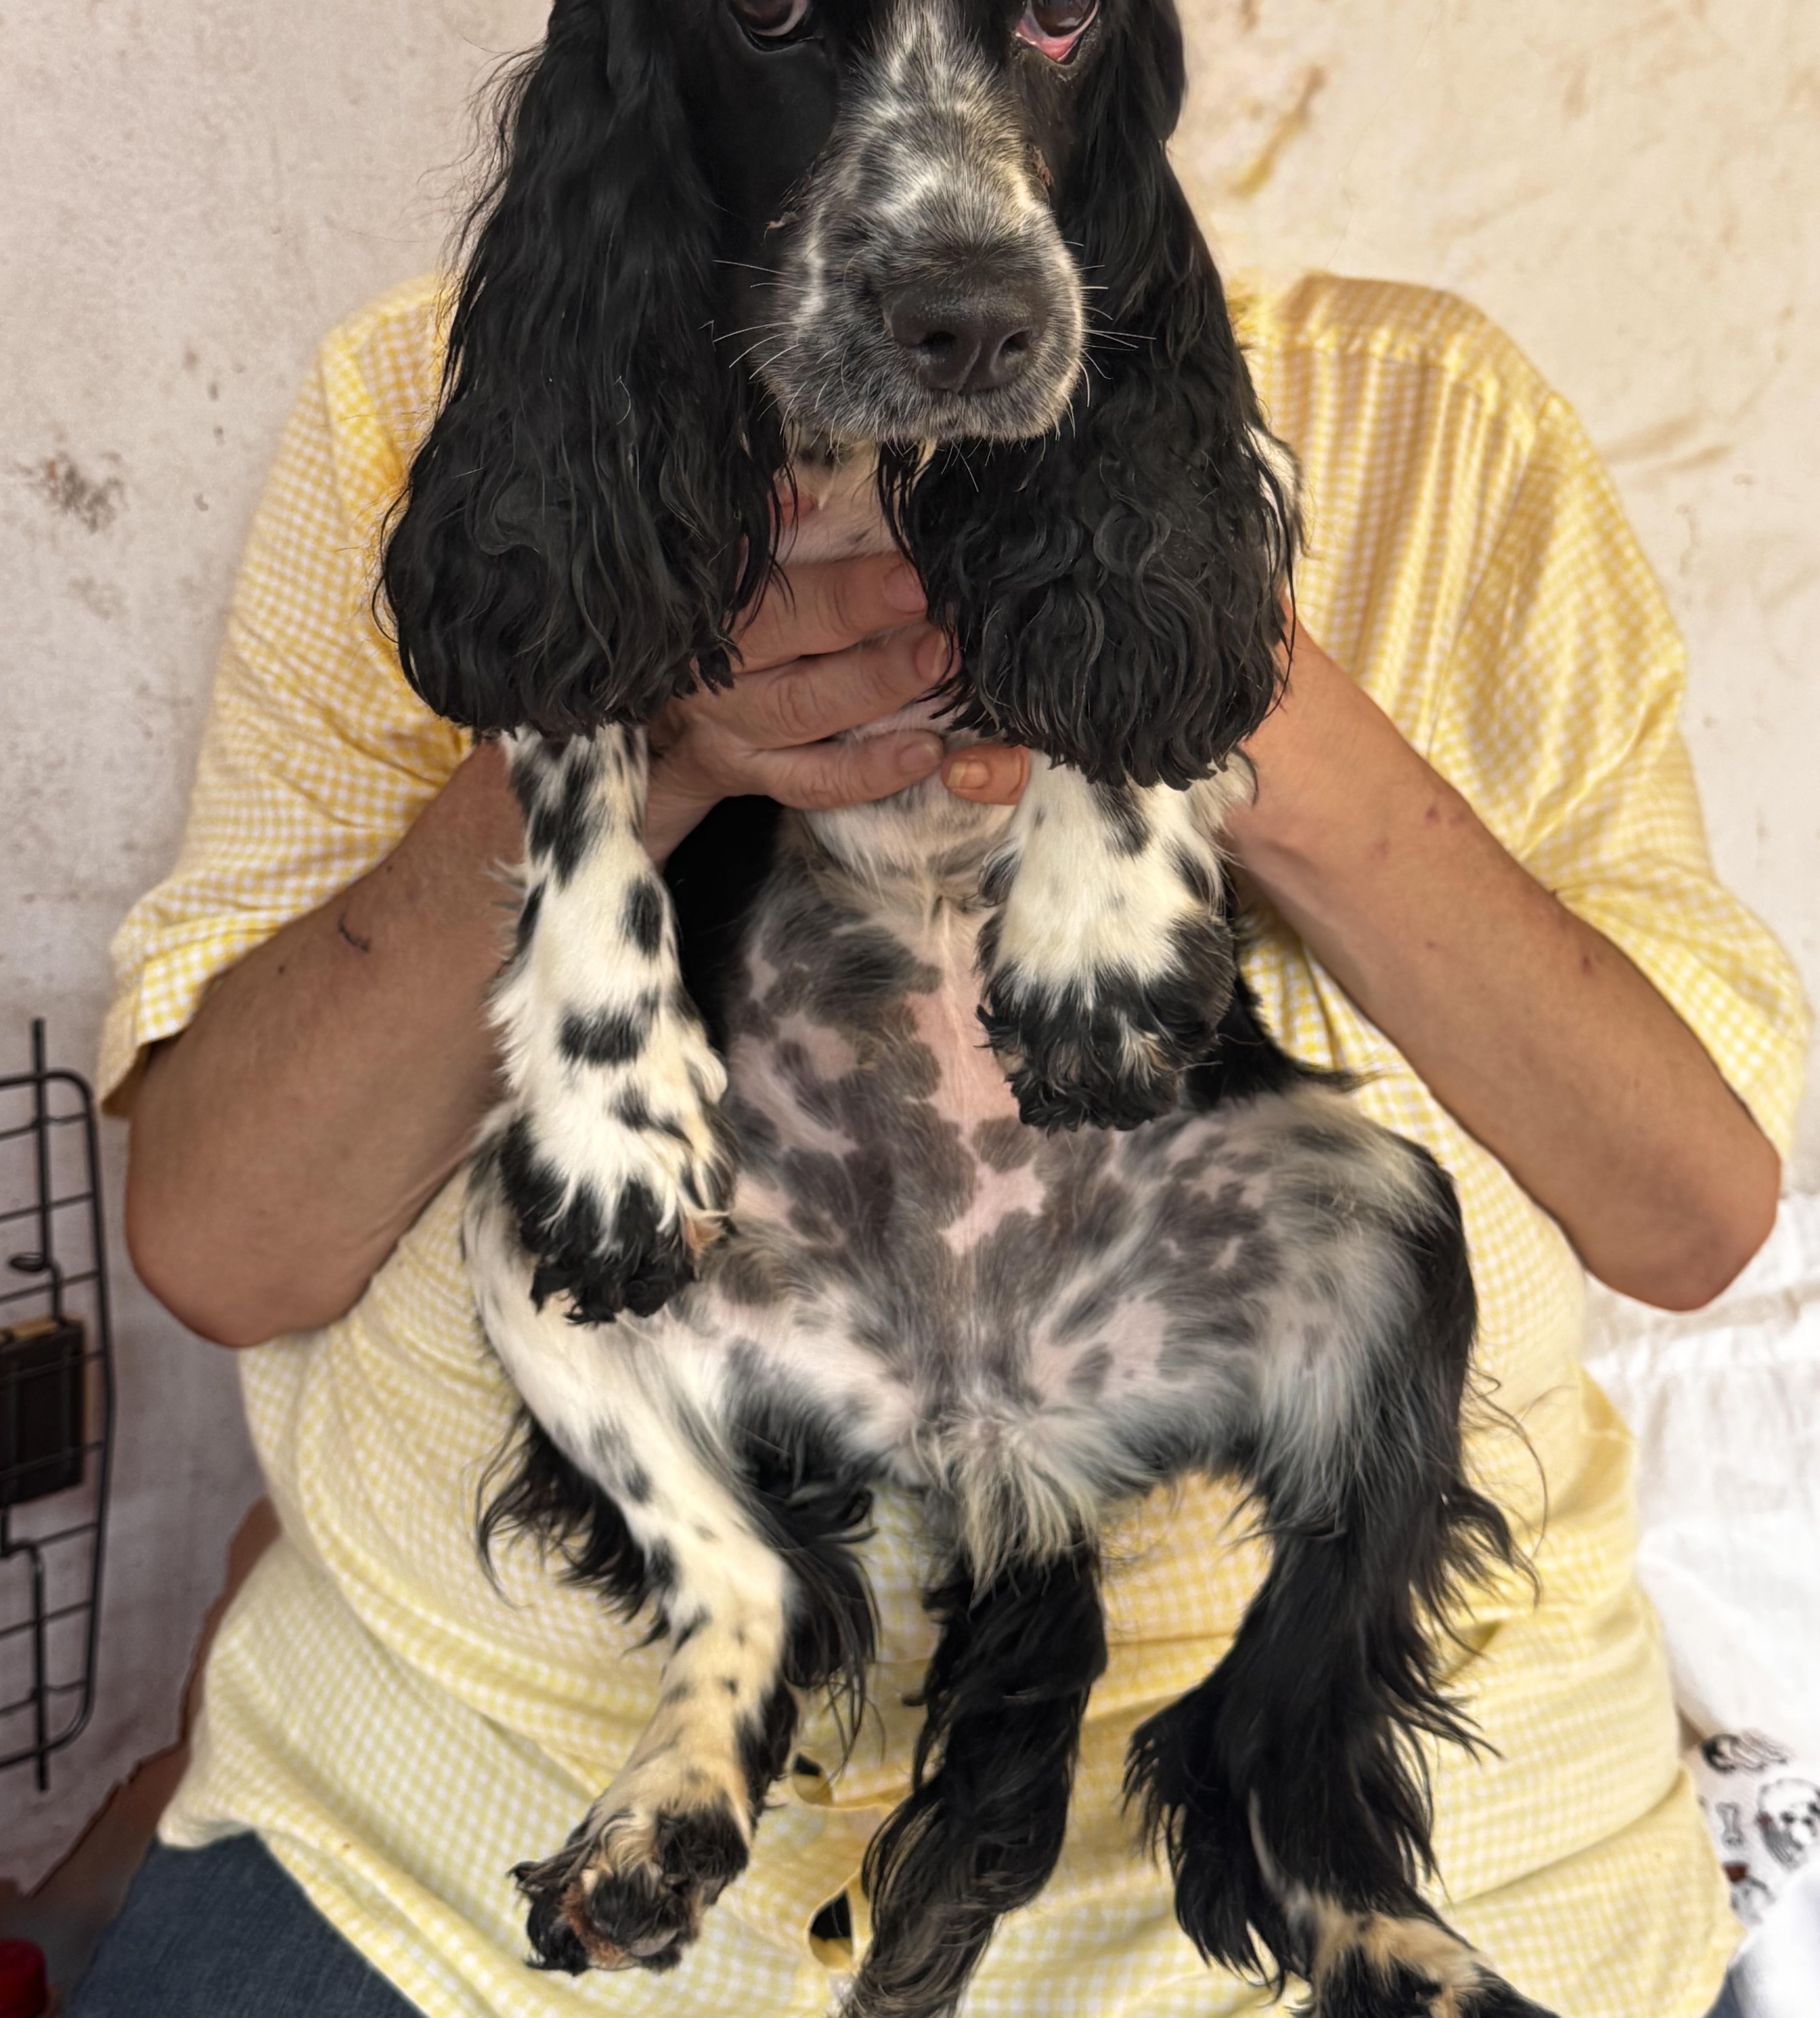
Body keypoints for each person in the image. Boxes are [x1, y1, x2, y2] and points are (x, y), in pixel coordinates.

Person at [82, 262, 1803, 2018]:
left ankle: (1310, 1824)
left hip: (1447, 1856)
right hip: (451, 1851)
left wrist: (1221, 671)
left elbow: (1692, 1218)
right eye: (791, 12)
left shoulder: (1440, 422)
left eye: (1035, 13)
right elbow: (229, 1247)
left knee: (1380, 1236)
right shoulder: (422, 393)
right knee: (547, 1213)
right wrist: (634, 729)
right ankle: (727, 1644)